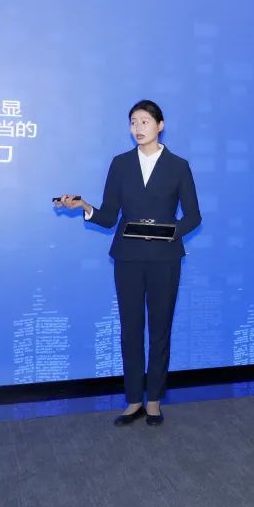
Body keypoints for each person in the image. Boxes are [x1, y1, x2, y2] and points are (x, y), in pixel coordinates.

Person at [55, 99, 201, 426]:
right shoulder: (120, 164)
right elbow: (109, 217)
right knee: (130, 329)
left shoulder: (179, 166)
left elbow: (194, 216)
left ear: (160, 125)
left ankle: (154, 401)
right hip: (128, 258)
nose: (138, 127)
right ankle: (134, 401)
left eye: (144, 121)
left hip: (165, 259)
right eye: (133, 121)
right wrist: (84, 207)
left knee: (160, 329)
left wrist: (168, 232)